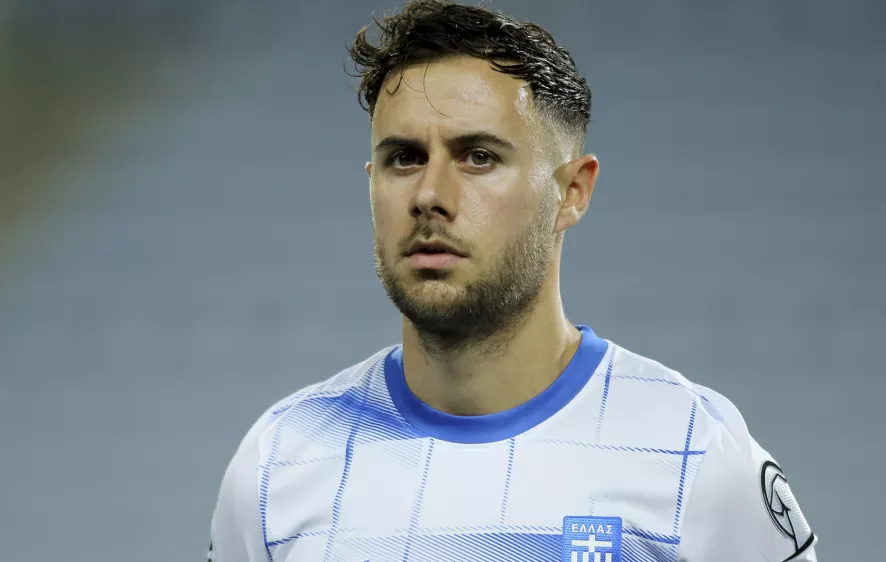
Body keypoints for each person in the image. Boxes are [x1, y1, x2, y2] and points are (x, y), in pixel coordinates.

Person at [208, 1, 818, 560]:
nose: (429, 195)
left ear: (571, 192)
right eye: (403, 158)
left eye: (478, 157)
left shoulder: (697, 455)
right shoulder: (278, 464)